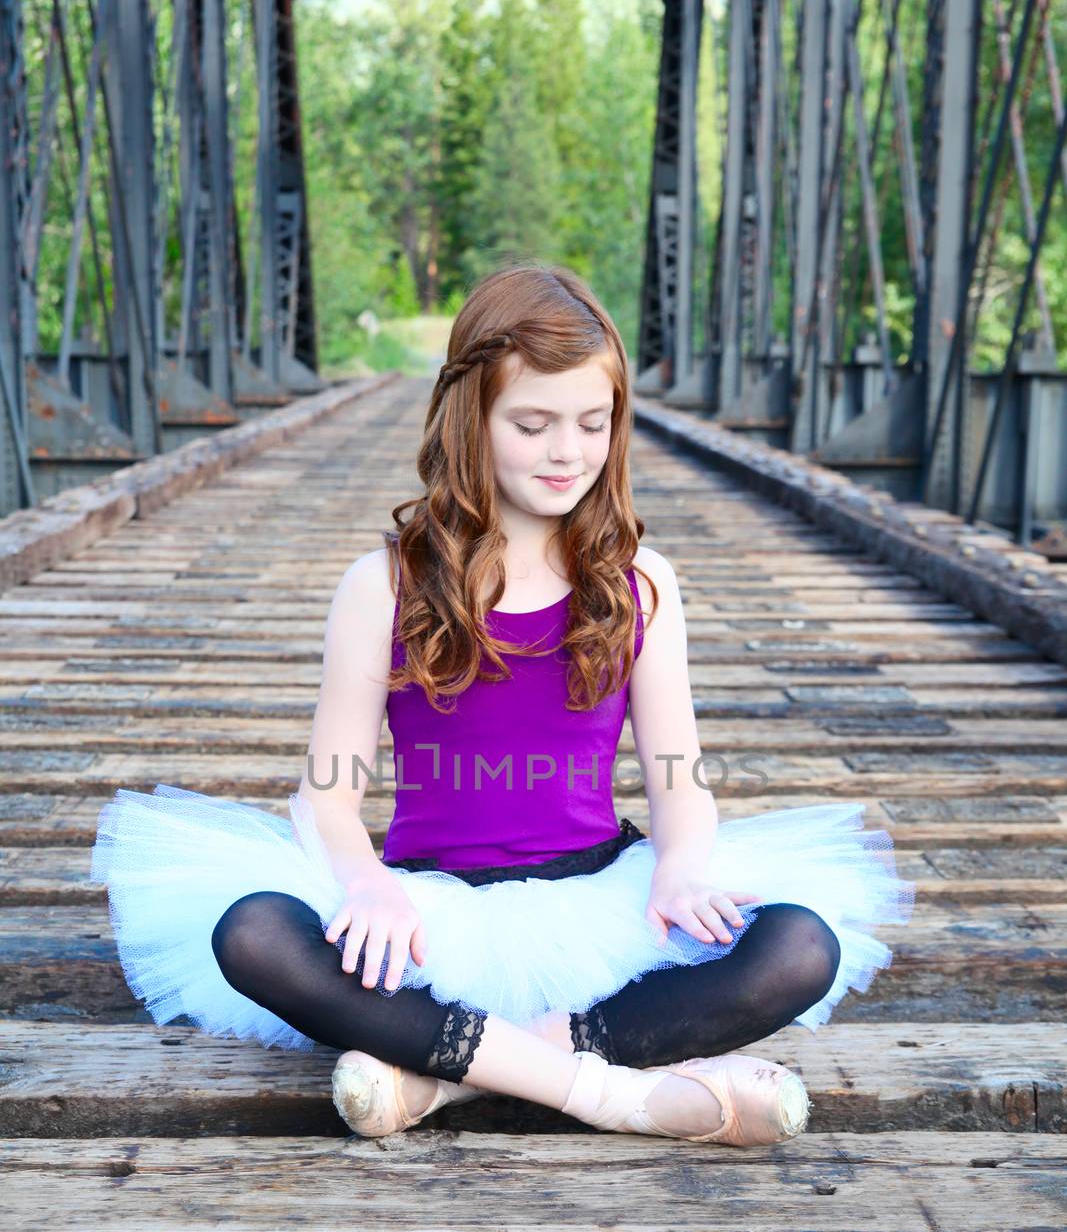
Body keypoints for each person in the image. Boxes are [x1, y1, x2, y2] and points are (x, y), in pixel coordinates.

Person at [90, 263, 915, 1147]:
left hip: (599, 894)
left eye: (592, 424)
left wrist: (679, 864)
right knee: (253, 934)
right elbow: (326, 796)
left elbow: (678, 779)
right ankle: (620, 1096)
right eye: (532, 424)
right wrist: (367, 886)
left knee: (796, 948)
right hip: (428, 910)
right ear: (470, 421)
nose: (567, 452)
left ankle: (441, 1080)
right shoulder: (385, 585)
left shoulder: (639, 585)